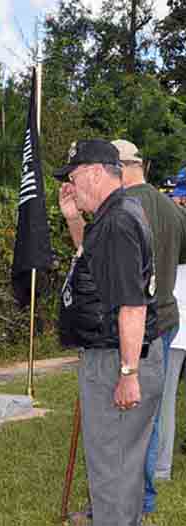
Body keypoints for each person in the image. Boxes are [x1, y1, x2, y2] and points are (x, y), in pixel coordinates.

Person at [56, 139, 164, 526]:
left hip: (117, 357)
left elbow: (132, 304)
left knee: (112, 471)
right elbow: (100, 263)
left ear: (96, 172)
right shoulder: (115, 214)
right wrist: (72, 218)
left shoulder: (117, 220)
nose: (69, 184)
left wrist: (128, 374)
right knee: (121, 469)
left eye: (73, 176)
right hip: (117, 354)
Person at [112, 140, 186, 514]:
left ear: (122, 167)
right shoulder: (171, 210)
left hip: (142, 321)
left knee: (133, 412)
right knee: (152, 409)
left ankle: (139, 499)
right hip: (168, 316)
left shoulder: (125, 206)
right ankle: (143, 495)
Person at [155, 169, 186, 480]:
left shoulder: (175, 222)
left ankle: (161, 466)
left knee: (164, 398)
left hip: (176, 325)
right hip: (177, 324)